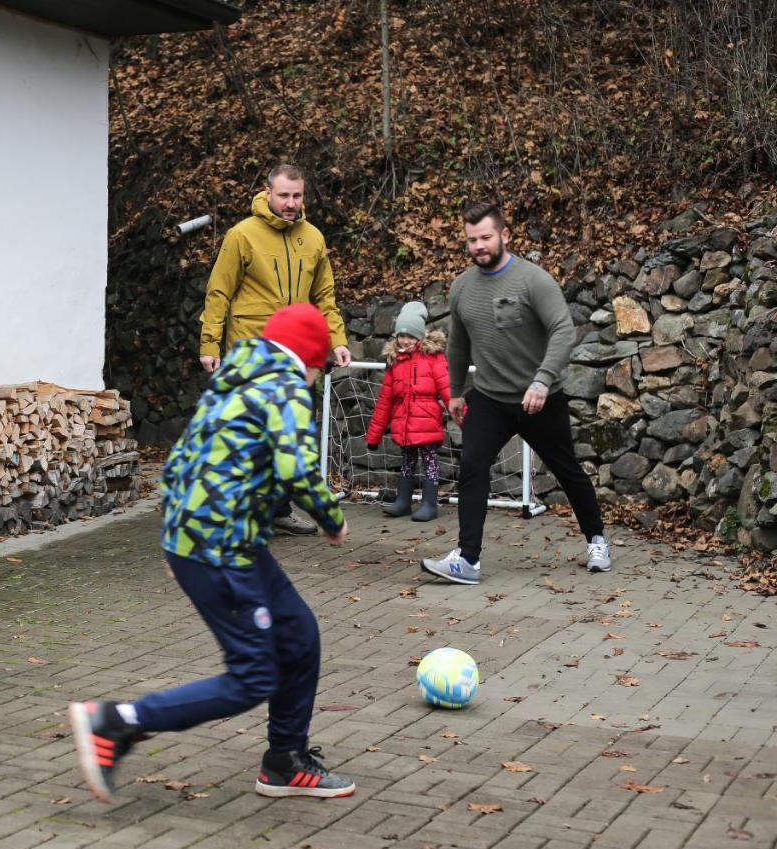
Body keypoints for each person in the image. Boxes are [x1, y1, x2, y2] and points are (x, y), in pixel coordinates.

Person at [70, 303, 355, 804]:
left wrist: (173, 535)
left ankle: (284, 761)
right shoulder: (285, 386)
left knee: (299, 635)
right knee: (254, 675)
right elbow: (297, 468)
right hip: (220, 549)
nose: (315, 379)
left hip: (218, 542)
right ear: (309, 359)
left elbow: (182, 457)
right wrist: (332, 519)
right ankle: (116, 722)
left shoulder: (234, 380)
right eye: (320, 368)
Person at [422, 202, 611, 585]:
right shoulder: (461, 287)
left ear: (505, 236)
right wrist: (456, 392)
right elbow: (458, 345)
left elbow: (562, 329)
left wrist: (542, 380)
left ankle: (596, 540)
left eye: (486, 237)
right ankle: (467, 559)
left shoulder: (532, 280)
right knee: (472, 467)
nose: (479, 246)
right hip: (489, 399)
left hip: (539, 398)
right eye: (472, 239)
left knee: (567, 471)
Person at [198, 163, 352, 535]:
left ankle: (279, 510)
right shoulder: (241, 235)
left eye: (297, 196)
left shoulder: (313, 238)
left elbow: (325, 297)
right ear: (268, 193)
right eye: (284, 195)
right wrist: (209, 343)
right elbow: (219, 292)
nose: (291, 203)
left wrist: (338, 339)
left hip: (297, 356)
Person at [364, 301, 450, 522]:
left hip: (428, 421)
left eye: (410, 336)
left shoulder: (434, 358)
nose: (405, 340)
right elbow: (385, 400)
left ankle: (429, 504)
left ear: (420, 336)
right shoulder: (395, 362)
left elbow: (448, 391)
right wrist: (373, 435)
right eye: (401, 335)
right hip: (404, 423)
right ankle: (403, 501)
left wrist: (466, 422)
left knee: (430, 460)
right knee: (407, 460)